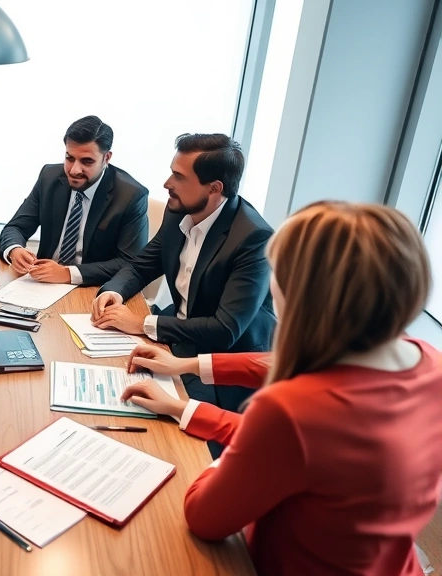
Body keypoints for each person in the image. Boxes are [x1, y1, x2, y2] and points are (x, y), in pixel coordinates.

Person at [120, 201, 442, 576]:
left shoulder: (294, 411)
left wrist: (231, 448)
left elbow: (204, 516)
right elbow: (309, 454)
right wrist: (184, 401)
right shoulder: (428, 362)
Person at [91, 133, 276, 423]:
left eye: (178, 177)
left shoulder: (252, 238)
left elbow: (225, 329)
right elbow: (142, 265)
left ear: (215, 188)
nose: (167, 184)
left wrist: (141, 323)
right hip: (175, 336)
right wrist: (112, 291)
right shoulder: (179, 210)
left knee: (155, 427)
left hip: (219, 366)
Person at [0, 115, 149, 286]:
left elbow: (130, 262)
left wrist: (68, 273)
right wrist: (15, 250)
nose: (74, 170)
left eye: (87, 161)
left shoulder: (131, 196)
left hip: (93, 289)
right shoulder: (49, 177)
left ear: (106, 158)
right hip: (41, 284)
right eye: (69, 158)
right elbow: (15, 227)